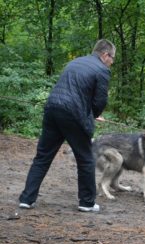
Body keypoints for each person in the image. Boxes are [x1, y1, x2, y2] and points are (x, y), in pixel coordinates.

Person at [18, 39, 116, 212]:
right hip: (73, 114)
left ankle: (27, 199)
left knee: (42, 157)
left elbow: (72, 90)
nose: (112, 62)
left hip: (52, 109)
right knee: (85, 158)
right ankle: (86, 203)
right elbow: (100, 100)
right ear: (105, 54)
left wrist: (89, 112)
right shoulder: (102, 70)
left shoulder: (75, 62)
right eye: (112, 58)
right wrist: (92, 114)